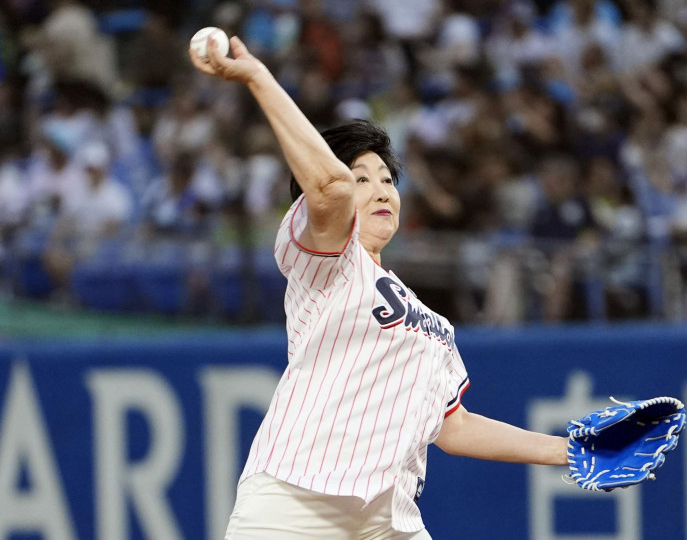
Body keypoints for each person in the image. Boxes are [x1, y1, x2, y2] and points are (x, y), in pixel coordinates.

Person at [190, 34, 570, 540]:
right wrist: (258, 78)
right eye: (363, 177)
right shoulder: (326, 258)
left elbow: (453, 427)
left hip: (388, 517)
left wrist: (568, 451)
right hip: (295, 499)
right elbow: (329, 188)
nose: (381, 188)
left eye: (388, 179)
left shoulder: (432, 322)